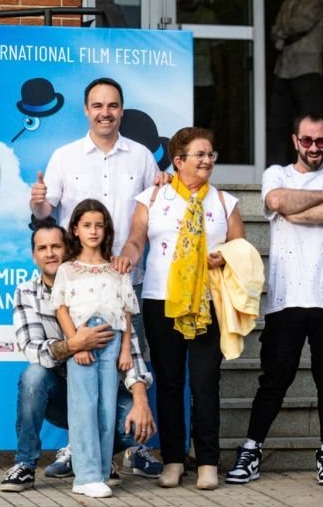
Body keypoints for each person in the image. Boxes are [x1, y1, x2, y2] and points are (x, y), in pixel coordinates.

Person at [27, 76, 163, 478]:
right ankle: (77, 448)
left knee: (130, 362)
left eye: (113, 105)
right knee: (79, 364)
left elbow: (148, 218)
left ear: (122, 110)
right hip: (79, 287)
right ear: (86, 110)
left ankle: (133, 448)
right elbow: (45, 215)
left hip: (126, 280)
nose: (106, 112)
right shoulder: (64, 156)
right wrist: (37, 204)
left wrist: (129, 253)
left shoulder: (141, 157)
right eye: (98, 105)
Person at [226, 113, 323, 487]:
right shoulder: (277, 172)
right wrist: (319, 198)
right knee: (274, 379)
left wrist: (297, 213)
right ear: (294, 140)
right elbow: (276, 199)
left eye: (320, 141)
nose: (313, 148)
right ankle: (251, 450)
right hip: (287, 297)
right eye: (306, 141)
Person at [116, 127, 245, 490]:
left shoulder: (223, 202)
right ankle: (172, 459)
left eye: (211, 155)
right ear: (178, 161)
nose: (207, 161)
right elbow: (136, 239)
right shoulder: (153, 198)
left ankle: (207, 462)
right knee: (170, 384)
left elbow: (243, 249)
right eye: (200, 155)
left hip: (207, 304)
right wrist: (125, 258)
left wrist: (226, 256)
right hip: (161, 301)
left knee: (205, 383)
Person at [0, 219, 157, 493]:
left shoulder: (101, 280)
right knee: (33, 375)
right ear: (34, 255)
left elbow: (129, 345)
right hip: (59, 391)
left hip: (103, 387)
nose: (50, 253)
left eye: (56, 246)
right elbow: (34, 349)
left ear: (68, 247)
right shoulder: (27, 292)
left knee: (134, 424)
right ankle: (25, 464)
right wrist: (76, 343)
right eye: (42, 248)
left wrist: (141, 398)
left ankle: (94, 459)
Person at [51, 201, 139, 499]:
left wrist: (125, 349)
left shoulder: (116, 269)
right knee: (83, 407)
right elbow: (61, 309)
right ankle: (85, 474)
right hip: (83, 339)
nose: (93, 231)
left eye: (99, 225)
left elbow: (126, 311)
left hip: (111, 340)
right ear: (75, 229)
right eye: (87, 225)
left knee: (106, 407)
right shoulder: (67, 269)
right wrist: (75, 343)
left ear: (106, 230)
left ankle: (100, 471)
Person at [267, 0, 323, 165]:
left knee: (310, 121)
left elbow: (298, 24)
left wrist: (282, 33)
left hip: (306, 67)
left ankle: (313, 166)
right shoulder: (287, 1)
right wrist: (283, 33)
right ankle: (277, 167)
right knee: (278, 122)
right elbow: (275, 30)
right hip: (284, 68)